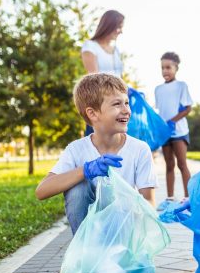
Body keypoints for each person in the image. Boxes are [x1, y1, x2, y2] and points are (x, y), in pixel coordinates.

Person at [36, 73, 156, 235]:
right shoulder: (76, 149)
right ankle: (86, 253)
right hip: (90, 234)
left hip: (125, 229)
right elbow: (42, 191)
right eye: (117, 104)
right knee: (77, 188)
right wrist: (85, 170)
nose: (126, 110)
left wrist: (158, 216)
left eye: (126, 103)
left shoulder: (140, 149)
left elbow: (148, 200)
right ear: (93, 113)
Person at [155, 52, 193, 211]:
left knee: (182, 164)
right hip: (165, 133)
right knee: (169, 165)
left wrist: (173, 121)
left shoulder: (181, 86)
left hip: (179, 131)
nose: (165, 71)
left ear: (176, 68)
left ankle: (189, 198)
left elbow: (188, 108)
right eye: (162, 68)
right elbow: (159, 111)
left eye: (168, 67)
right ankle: (170, 198)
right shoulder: (158, 89)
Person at [81, 10, 125, 136]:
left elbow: (120, 77)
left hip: (118, 104)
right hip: (100, 104)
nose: (121, 31)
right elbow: (93, 78)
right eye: (119, 27)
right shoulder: (90, 46)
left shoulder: (116, 50)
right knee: (97, 147)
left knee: (118, 145)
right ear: (109, 25)